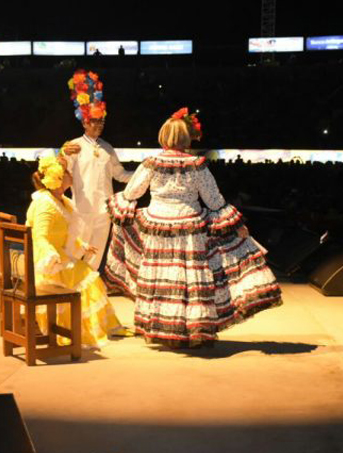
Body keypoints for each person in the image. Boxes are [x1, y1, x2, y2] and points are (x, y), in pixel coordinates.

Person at [105, 109, 282, 348]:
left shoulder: (151, 163)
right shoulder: (197, 165)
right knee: (189, 281)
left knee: (163, 278)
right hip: (190, 226)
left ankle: (162, 328)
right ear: (187, 138)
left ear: (164, 136)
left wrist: (125, 210)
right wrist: (236, 226)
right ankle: (193, 329)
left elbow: (131, 193)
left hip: (158, 224)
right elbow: (214, 200)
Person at [26, 154, 128, 347]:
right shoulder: (45, 203)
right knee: (88, 278)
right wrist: (51, 257)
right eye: (65, 171)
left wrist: (81, 245)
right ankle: (74, 330)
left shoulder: (60, 200)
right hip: (47, 263)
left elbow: (65, 232)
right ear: (57, 178)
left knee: (88, 274)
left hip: (59, 256)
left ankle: (86, 327)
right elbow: (40, 236)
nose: (69, 173)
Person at [60, 69, 133, 270]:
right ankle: (67, 285)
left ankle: (88, 286)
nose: (99, 125)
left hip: (104, 212)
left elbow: (120, 175)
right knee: (74, 252)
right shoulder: (74, 146)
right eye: (95, 120)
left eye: (102, 121)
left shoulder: (107, 148)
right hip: (81, 210)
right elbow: (62, 174)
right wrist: (61, 155)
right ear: (85, 122)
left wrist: (145, 172)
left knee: (96, 255)